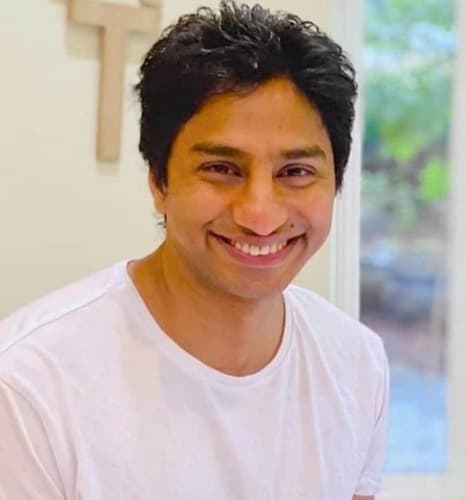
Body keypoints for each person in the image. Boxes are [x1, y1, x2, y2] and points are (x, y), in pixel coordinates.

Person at [0, 2, 389, 499]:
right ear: (159, 182)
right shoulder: (28, 388)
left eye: (295, 172)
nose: (260, 215)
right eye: (222, 170)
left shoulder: (356, 364)